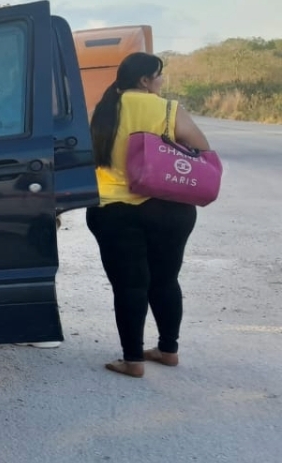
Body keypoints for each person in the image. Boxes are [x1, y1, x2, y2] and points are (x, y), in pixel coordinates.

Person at [85, 52, 211, 378]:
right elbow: (202, 148)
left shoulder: (101, 112)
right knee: (165, 280)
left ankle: (133, 360)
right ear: (144, 80)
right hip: (169, 207)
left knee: (129, 286)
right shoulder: (168, 109)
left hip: (113, 209)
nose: (161, 81)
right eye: (159, 75)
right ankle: (168, 350)